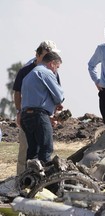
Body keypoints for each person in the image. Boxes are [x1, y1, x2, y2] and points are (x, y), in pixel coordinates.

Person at [13, 40, 61, 175]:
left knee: (34, 150)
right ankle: (25, 179)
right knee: (30, 149)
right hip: (29, 114)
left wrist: (53, 115)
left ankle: (31, 179)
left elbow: (53, 94)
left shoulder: (52, 71)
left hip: (40, 114)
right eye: (47, 54)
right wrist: (18, 112)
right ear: (38, 54)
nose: (50, 57)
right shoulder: (26, 70)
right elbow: (17, 92)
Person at [20, 51, 64, 164]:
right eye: (57, 67)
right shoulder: (46, 72)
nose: (56, 71)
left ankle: (29, 178)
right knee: (46, 149)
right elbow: (59, 96)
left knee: (33, 151)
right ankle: (45, 181)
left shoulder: (29, 75)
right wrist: (57, 103)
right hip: (38, 115)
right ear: (51, 64)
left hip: (26, 115)